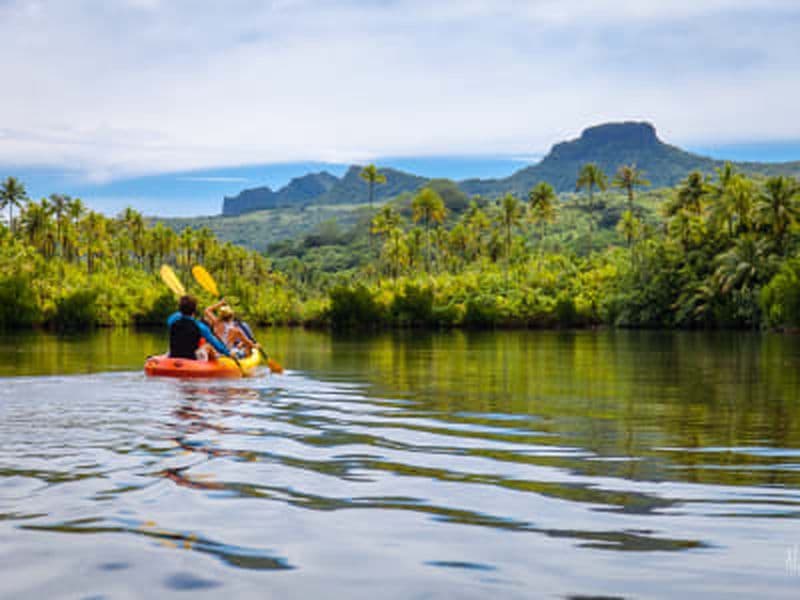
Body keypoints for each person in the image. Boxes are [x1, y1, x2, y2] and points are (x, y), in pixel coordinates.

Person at [167, 295, 230, 360]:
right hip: (191, 359)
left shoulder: (172, 321)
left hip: (173, 356)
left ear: (180, 308)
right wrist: (228, 353)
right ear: (195, 310)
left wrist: (183, 306)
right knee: (208, 347)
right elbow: (216, 344)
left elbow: (178, 314)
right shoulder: (200, 327)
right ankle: (217, 366)